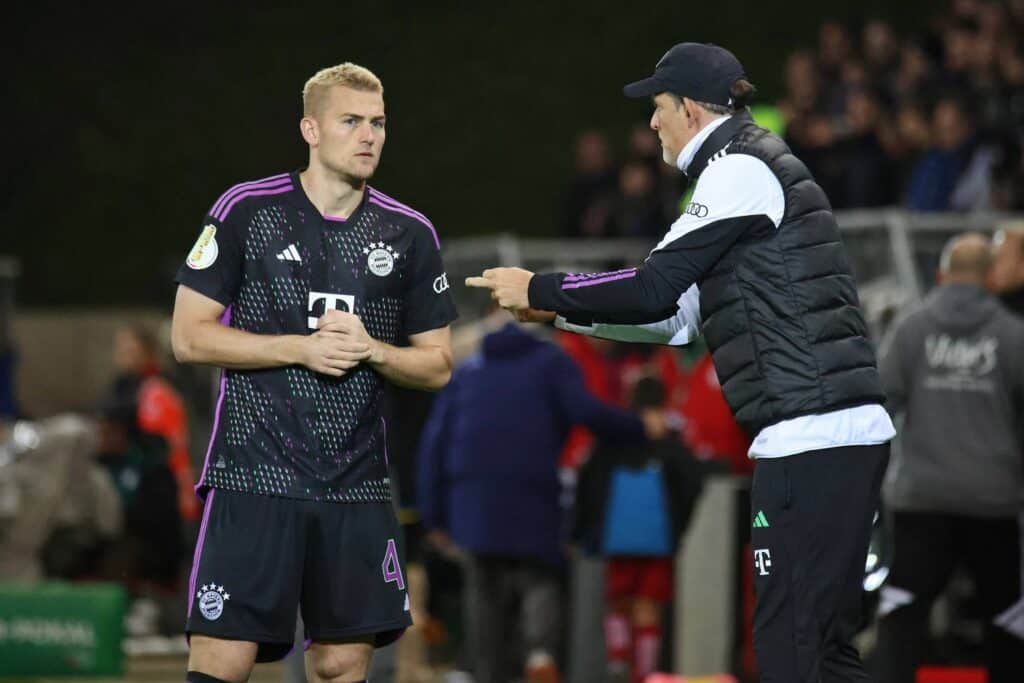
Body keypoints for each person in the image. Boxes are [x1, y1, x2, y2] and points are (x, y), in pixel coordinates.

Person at [468, 42, 895, 682]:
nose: (651, 123)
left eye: (658, 107)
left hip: (814, 437)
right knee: (816, 652)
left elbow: (649, 289)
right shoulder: (743, 170)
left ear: (692, 109)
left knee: (795, 654)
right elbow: (673, 320)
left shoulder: (738, 169)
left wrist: (540, 288)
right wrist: (559, 313)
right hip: (820, 436)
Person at [170, 62, 457, 683]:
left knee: (339, 663)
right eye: (350, 121)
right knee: (222, 659)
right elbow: (188, 337)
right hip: (254, 474)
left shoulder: (409, 233)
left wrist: (375, 350)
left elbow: (437, 364)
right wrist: (298, 349)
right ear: (310, 129)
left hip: (356, 485)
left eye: (378, 123)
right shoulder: (247, 210)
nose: (368, 136)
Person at [416, 312, 656, 683]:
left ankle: (487, 671)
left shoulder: (468, 370)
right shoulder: (552, 363)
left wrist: (433, 515)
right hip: (534, 496)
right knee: (538, 578)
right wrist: (640, 426)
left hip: (475, 504)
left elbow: (434, 443)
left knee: (485, 593)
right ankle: (539, 654)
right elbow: (586, 411)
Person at [873, 233, 1024, 683]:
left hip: (921, 500)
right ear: (992, 277)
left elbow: (881, 402)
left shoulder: (911, 329)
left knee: (901, 617)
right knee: (1007, 620)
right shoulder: (1013, 336)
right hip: (993, 501)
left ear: (941, 275)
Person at [571, 375, 703, 683]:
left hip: (617, 538)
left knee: (618, 602)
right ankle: (644, 674)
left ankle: (618, 661)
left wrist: (583, 529)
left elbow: (588, 480)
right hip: (658, 541)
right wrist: (677, 529)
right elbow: (691, 484)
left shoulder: (614, 439)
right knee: (648, 608)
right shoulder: (670, 441)